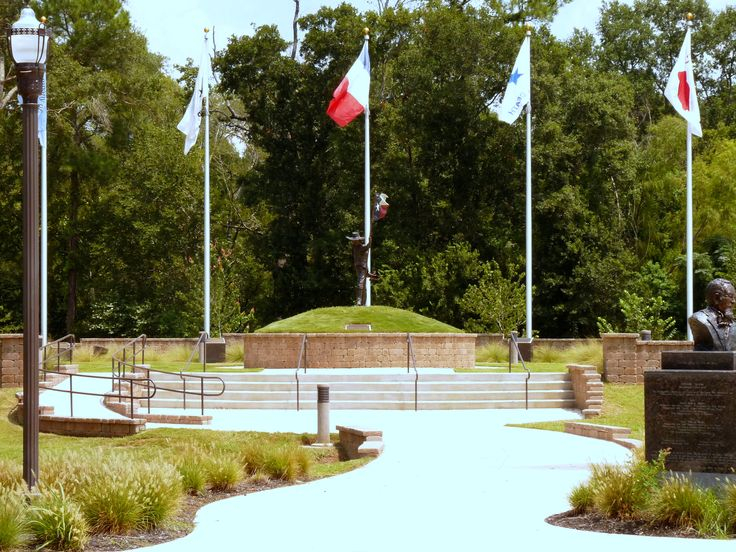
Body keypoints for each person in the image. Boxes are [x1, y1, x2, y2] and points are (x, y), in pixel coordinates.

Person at [688, 278, 736, 351]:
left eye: (734, 298)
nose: (733, 301)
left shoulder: (733, 323)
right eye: (730, 296)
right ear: (716, 298)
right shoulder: (699, 319)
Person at [346, 231, 378, 306]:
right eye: (353, 240)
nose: (353, 241)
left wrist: (370, 241)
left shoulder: (361, 247)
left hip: (362, 268)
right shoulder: (355, 247)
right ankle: (362, 303)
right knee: (362, 285)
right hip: (358, 268)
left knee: (360, 284)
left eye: (354, 240)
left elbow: (367, 247)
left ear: (358, 240)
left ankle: (359, 302)